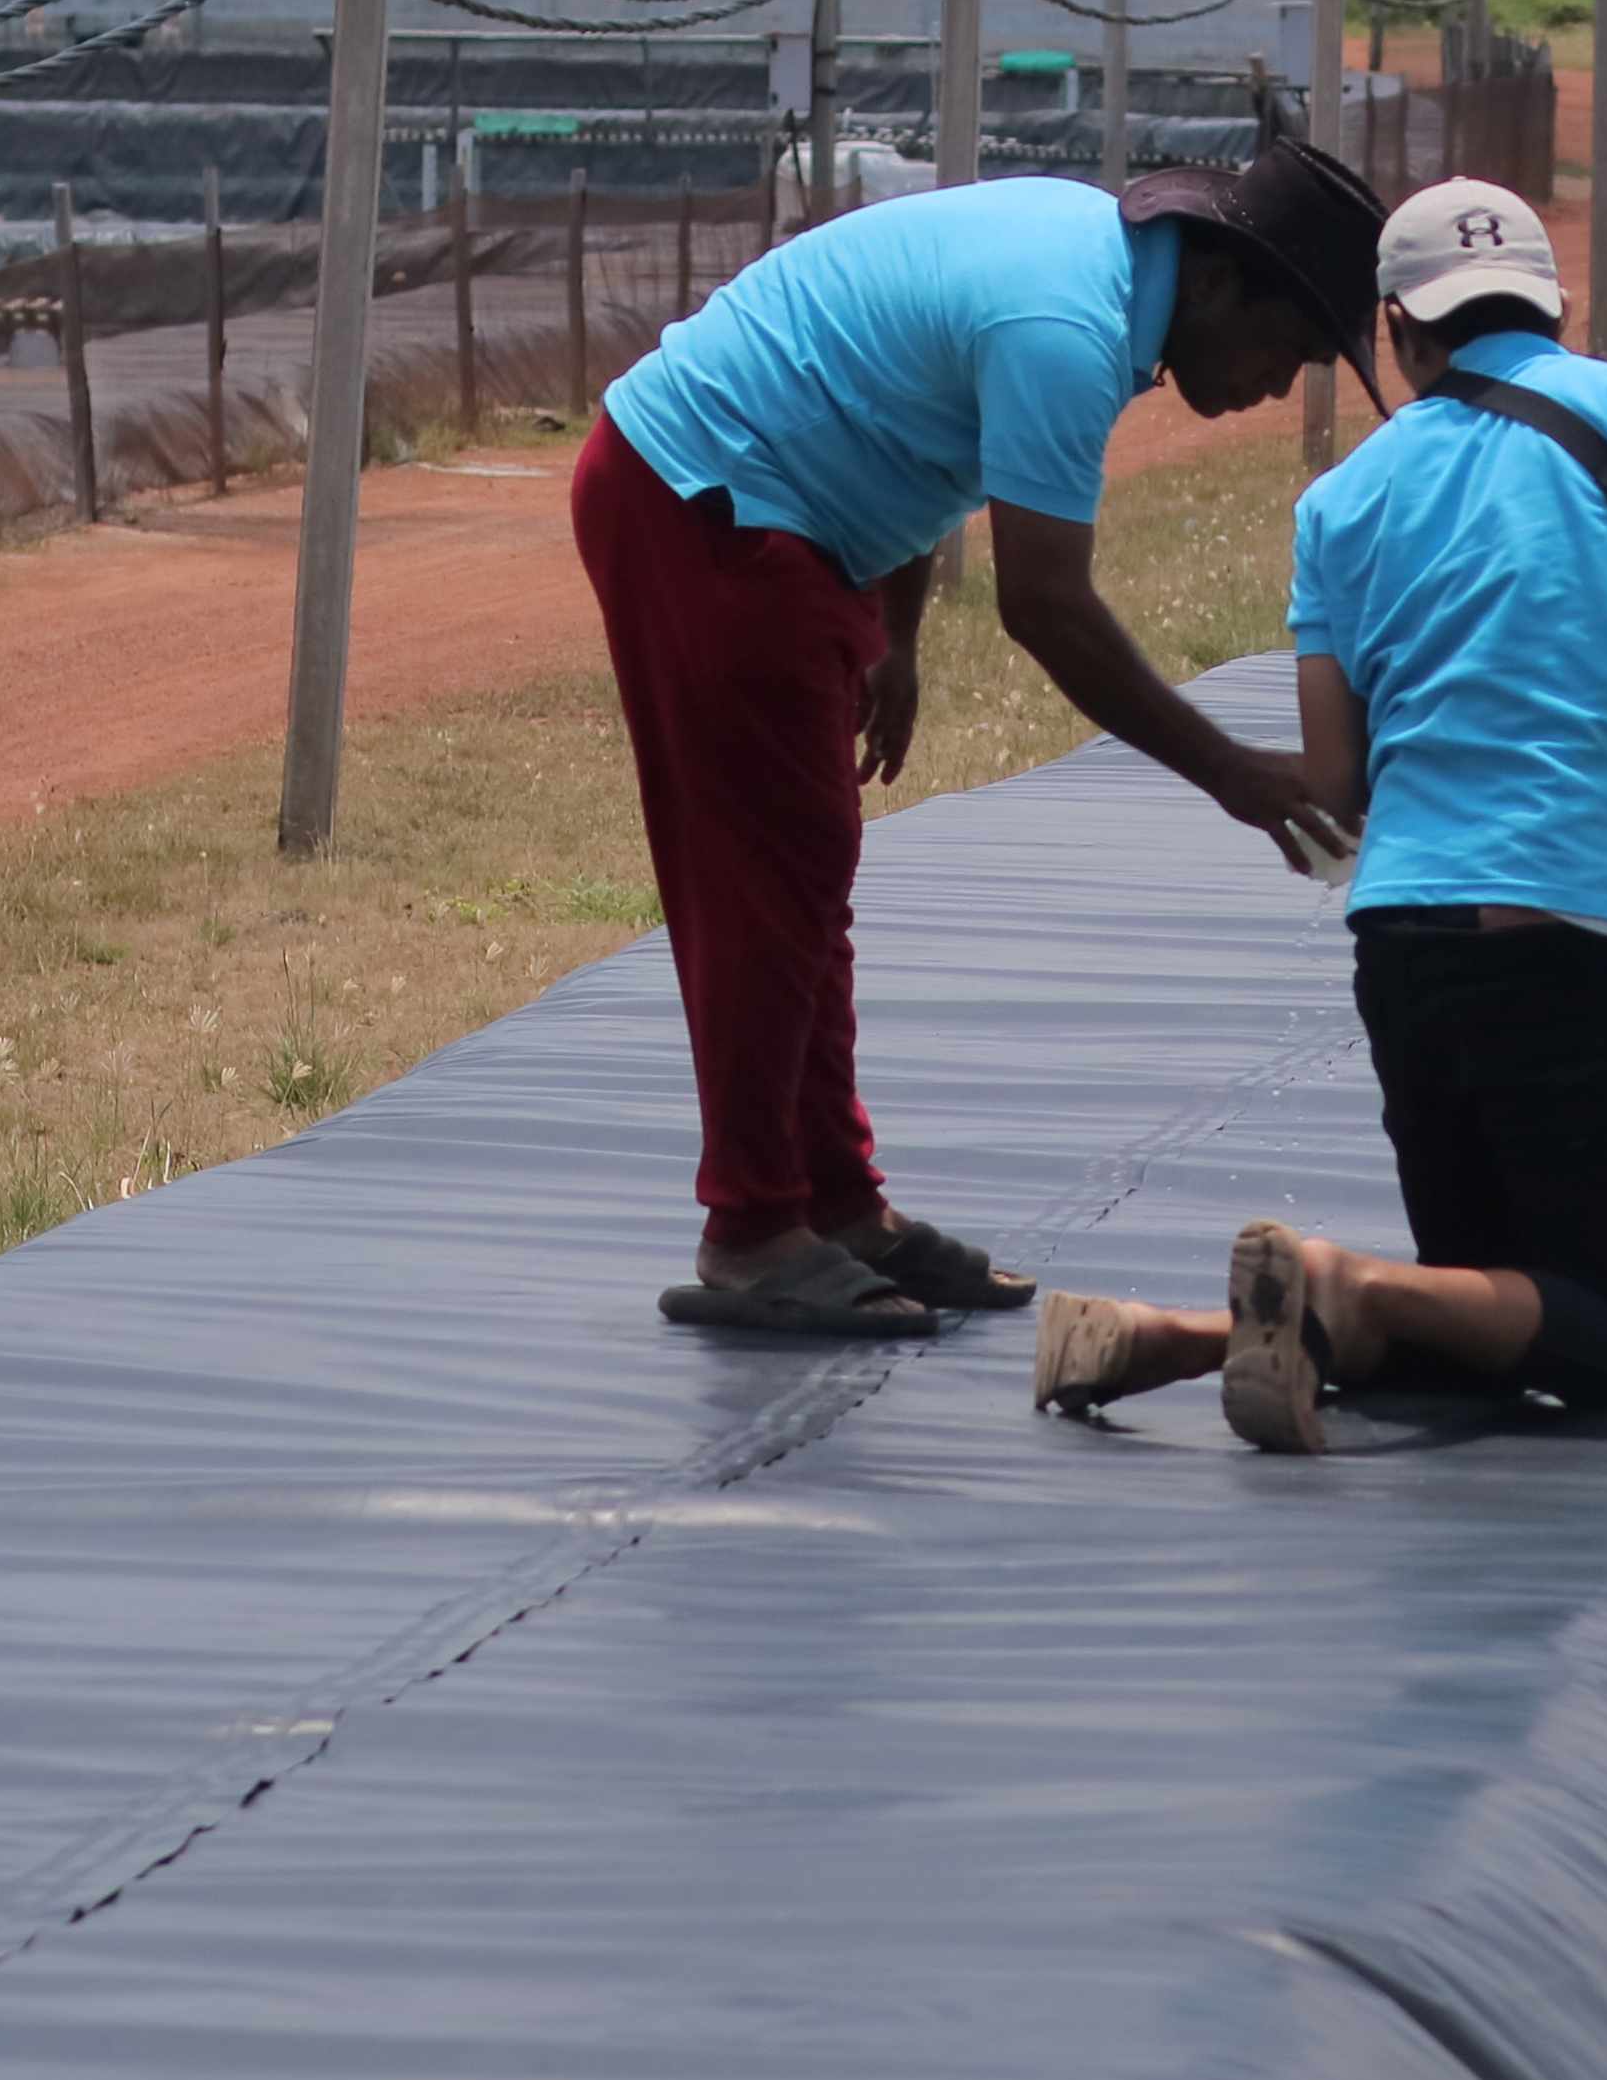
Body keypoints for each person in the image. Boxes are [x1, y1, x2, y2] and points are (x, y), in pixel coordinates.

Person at [1030, 177, 1607, 1453]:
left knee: (1482, 1322)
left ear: (1398, 331)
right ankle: (1340, 1281)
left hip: (1407, 939)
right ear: (1555, 305)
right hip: (1568, 925)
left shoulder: (1342, 500)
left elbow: (1337, 786)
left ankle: (1177, 1334)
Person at [572, 139, 1381, 1339]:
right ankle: (752, 1229)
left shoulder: (1098, 275)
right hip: (705, 502)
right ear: (1218, 281)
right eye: (1288, 348)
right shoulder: (1068, 322)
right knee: (764, 885)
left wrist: (896, 632)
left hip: (778, 512)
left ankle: (834, 1205)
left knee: (804, 878)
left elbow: (909, 408)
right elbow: (1044, 603)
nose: (1278, 386)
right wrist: (1233, 774)